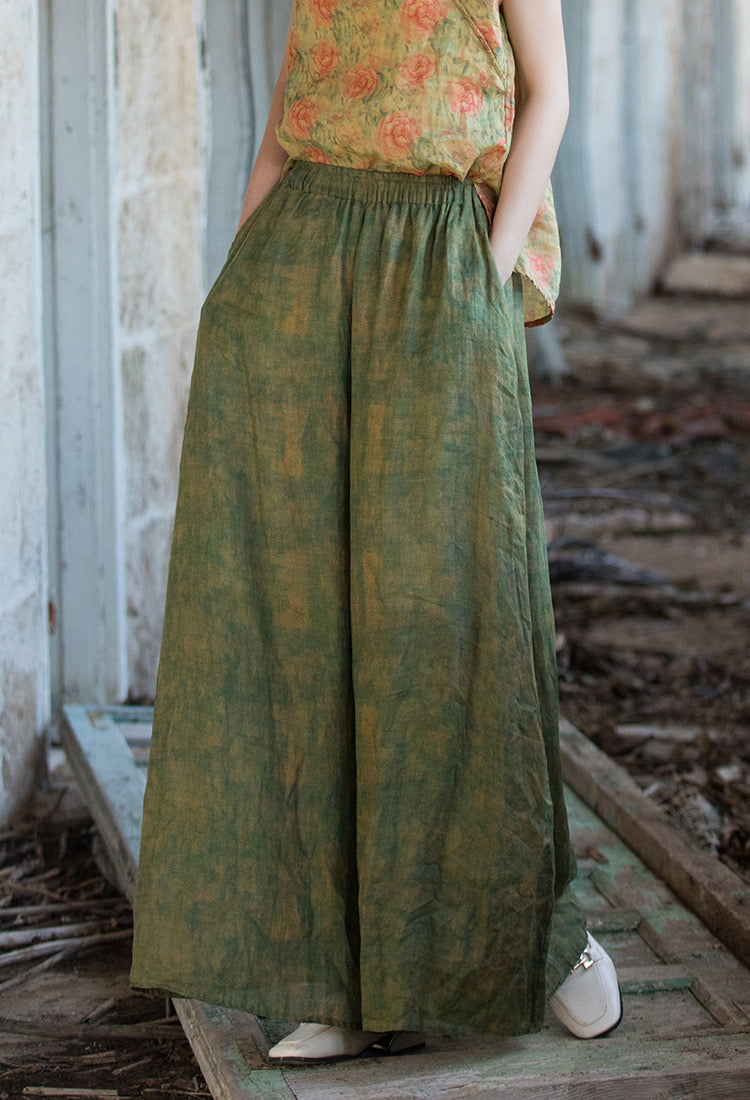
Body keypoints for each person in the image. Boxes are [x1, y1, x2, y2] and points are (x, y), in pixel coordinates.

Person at [130, 0, 623, 1063]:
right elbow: (288, 111)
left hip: (441, 256)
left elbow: (549, 95)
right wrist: (239, 278)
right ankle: (346, 980)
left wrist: (487, 268)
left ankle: (543, 938)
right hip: (305, 255)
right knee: (310, 621)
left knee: (450, 609)